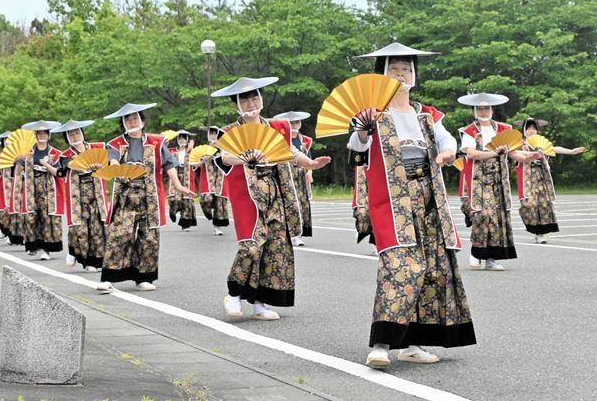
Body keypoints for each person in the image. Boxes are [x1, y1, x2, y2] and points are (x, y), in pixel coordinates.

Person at [348, 43, 476, 369]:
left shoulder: (426, 114)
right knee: (400, 266)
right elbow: (357, 146)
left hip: (428, 194)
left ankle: (413, 342)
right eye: (394, 69)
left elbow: (446, 139)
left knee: (432, 267)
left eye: (406, 69)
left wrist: (447, 152)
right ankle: (381, 343)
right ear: (382, 76)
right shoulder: (373, 114)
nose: (401, 74)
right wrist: (363, 133)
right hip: (393, 198)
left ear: (414, 76)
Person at [211, 77, 331, 320]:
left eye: (254, 98)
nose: (250, 104)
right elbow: (224, 157)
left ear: (262, 100)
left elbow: (291, 152)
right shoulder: (231, 132)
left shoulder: (277, 128)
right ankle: (233, 294)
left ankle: (259, 303)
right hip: (247, 194)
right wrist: (244, 157)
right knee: (251, 245)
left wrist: (310, 163)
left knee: (275, 246)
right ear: (236, 105)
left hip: (275, 191)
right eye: (243, 100)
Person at [98, 103, 197, 293]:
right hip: (126, 194)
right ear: (123, 123)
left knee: (149, 237)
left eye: (135, 117)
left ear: (142, 120)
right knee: (120, 234)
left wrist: (178, 186)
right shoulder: (116, 143)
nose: (131, 121)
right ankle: (109, 277)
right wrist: (118, 170)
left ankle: (143, 277)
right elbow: (113, 160)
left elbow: (169, 165)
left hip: (150, 195)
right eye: (127, 119)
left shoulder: (157, 142)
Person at [457, 94, 542, 271]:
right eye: (479, 109)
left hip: (499, 180)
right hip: (479, 179)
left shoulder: (503, 129)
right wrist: (495, 153)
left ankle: (491, 258)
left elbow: (514, 153)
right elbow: (471, 153)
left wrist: (529, 157)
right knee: (483, 215)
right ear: (474, 111)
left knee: (498, 217)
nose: (483, 112)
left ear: (492, 110)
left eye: (486, 108)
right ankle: (476, 253)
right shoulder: (469, 131)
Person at [513, 118, 584, 243]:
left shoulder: (541, 144)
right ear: (524, 130)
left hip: (541, 178)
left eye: (534, 128)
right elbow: (512, 152)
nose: (531, 131)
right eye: (528, 128)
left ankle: (542, 233)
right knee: (529, 204)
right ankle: (534, 228)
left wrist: (571, 152)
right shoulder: (519, 144)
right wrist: (530, 154)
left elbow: (554, 148)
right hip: (526, 179)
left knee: (544, 205)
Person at [52, 120, 110, 272]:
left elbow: (108, 162)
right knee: (80, 229)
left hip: (96, 193)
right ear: (67, 138)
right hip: (77, 195)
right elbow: (70, 165)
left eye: (77, 132)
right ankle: (80, 255)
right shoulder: (65, 155)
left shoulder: (97, 148)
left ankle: (95, 261)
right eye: (70, 134)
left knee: (97, 226)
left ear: (82, 133)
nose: (74, 136)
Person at [16, 121, 66, 261]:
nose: (42, 135)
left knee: (47, 219)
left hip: (48, 189)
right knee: (31, 217)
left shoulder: (55, 153)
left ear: (48, 135)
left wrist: (47, 165)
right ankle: (33, 245)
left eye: (44, 133)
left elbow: (58, 173)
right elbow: (18, 173)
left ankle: (46, 249)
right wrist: (19, 162)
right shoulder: (28, 152)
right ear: (35, 135)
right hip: (32, 188)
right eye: (39, 133)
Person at [273, 111, 314, 246]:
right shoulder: (283, 139)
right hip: (287, 174)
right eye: (291, 123)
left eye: (297, 122)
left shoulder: (306, 140)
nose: (294, 125)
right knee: (290, 202)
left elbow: (309, 157)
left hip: (302, 175)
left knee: (303, 202)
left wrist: (310, 172)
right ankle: (292, 233)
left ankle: (299, 233)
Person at [197, 126, 230, 235]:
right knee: (206, 199)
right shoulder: (203, 149)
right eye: (210, 133)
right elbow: (195, 165)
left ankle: (217, 227)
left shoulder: (224, 149)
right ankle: (207, 212)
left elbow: (229, 163)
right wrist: (204, 159)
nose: (213, 135)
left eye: (215, 133)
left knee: (219, 202)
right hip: (207, 177)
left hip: (221, 178)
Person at [168, 129, 198, 230]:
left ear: (187, 140)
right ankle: (172, 211)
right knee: (175, 198)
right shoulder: (172, 151)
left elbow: (196, 164)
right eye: (180, 139)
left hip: (187, 176)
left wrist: (190, 150)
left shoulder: (192, 151)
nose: (182, 141)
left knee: (186, 199)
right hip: (175, 176)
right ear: (177, 140)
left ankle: (185, 224)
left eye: (184, 139)